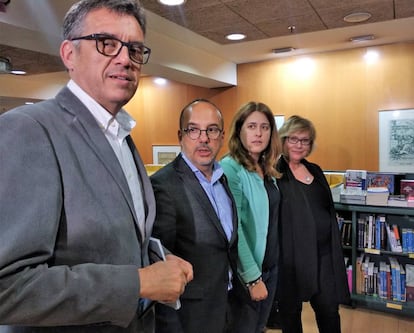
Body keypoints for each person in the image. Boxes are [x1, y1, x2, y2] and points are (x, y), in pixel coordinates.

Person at [0, 1, 193, 332]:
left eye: (135, 48)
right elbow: (8, 288)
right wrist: (138, 282)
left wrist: (157, 259)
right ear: (69, 54)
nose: (124, 58)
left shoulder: (121, 135)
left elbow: (110, 240)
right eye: (106, 43)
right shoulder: (28, 130)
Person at [150, 99, 239, 333]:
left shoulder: (222, 177)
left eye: (211, 129)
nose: (203, 138)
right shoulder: (164, 185)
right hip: (190, 316)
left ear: (221, 135)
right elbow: (161, 262)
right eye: (193, 130)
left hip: (227, 304)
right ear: (181, 135)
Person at [274, 115, 350, 333]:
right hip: (292, 258)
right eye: (293, 139)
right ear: (283, 140)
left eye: (305, 140)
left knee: (329, 310)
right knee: (290, 314)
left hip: (324, 256)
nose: (299, 145)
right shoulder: (275, 173)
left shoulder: (315, 170)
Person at [220, 101, 282, 333]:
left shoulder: (267, 169)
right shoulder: (230, 168)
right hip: (248, 272)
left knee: (259, 328)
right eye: (252, 126)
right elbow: (235, 229)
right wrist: (253, 278)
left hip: (271, 267)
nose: (258, 133)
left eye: (265, 127)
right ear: (239, 131)